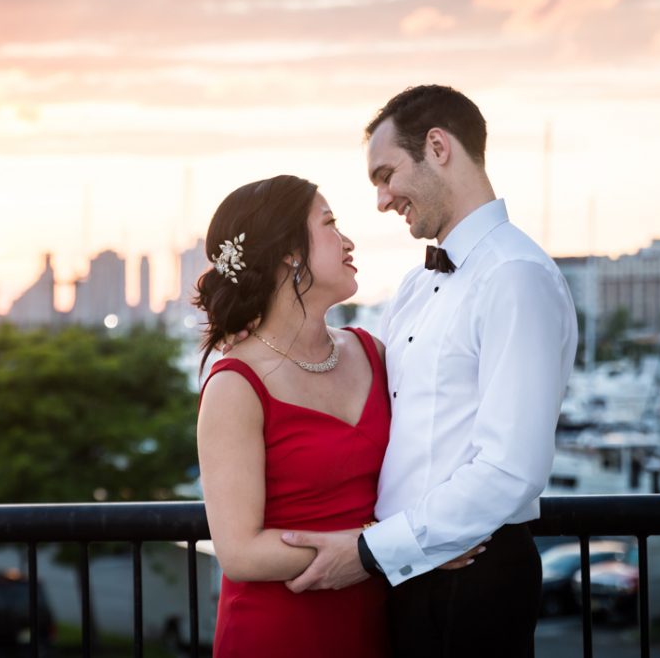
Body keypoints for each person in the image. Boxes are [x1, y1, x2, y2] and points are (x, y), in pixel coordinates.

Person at [278, 85, 579, 657]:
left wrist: (375, 551)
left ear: (438, 147)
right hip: (407, 572)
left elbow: (510, 469)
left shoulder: (516, 276)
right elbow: (355, 375)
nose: (383, 200)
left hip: (472, 579)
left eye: (387, 175)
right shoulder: (418, 286)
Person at [194, 174, 479, 657]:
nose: (348, 241)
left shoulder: (373, 352)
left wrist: (432, 534)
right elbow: (239, 552)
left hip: (378, 625)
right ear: (290, 251)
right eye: (330, 224)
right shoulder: (234, 386)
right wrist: (392, 547)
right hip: (278, 632)